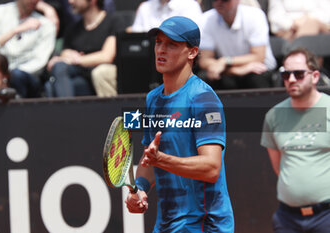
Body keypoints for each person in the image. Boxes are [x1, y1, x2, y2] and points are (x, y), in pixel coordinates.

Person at [125, 16, 234, 232]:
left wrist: (161, 159)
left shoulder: (203, 99)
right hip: (167, 223)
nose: (161, 50)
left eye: (172, 45)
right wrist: (140, 189)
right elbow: (149, 159)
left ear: (192, 52)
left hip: (205, 224)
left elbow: (211, 168)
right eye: (159, 42)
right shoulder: (153, 99)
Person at [260, 48, 330, 232]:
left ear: (315, 76)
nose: (291, 80)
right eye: (286, 74)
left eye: (298, 74)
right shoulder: (274, 116)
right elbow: (279, 167)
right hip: (287, 218)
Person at [0, 0, 56, 98]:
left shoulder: (46, 24)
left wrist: (9, 74)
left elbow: (40, 62)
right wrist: (15, 31)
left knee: (17, 75)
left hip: (27, 78)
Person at [46, 0, 122, 97]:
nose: (70, 1)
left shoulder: (113, 21)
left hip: (100, 76)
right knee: (53, 78)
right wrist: (66, 58)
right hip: (80, 75)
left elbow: (106, 56)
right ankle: (67, 110)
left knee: (53, 83)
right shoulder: (73, 29)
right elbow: (65, 52)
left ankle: (66, 110)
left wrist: (77, 59)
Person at [198, 0, 277, 90]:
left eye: (225, 0)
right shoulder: (205, 19)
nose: (219, 3)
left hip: (258, 68)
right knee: (206, 76)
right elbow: (204, 60)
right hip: (227, 70)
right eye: (215, 0)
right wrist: (235, 70)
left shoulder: (255, 15)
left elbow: (258, 57)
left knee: (256, 78)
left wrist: (225, 61)